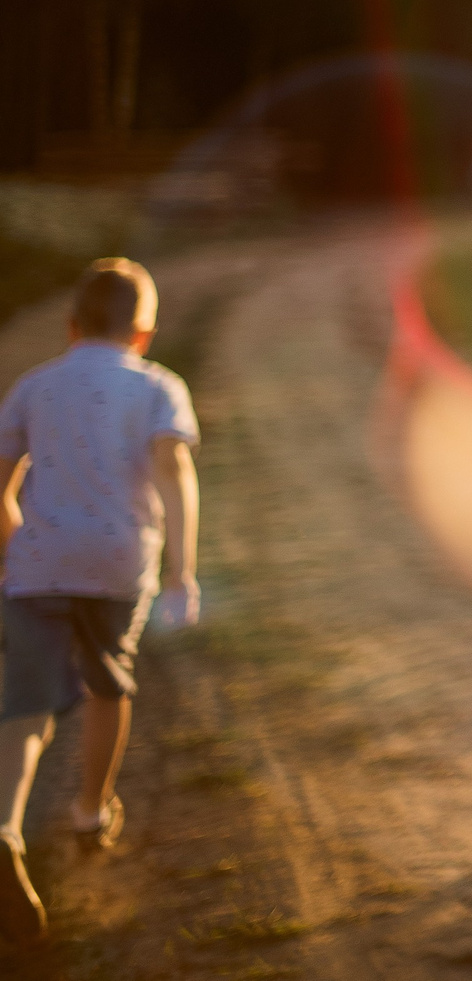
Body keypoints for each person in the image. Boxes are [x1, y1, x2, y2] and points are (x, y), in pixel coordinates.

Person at [0, 257, 201, 943]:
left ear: (70, 322)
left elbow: (0, 483)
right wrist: (183, 569)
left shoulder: (35, 386)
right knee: (106, 685)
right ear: (143, 332)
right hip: (117, 559)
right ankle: (90, 811)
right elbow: (174, 470)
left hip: (39, 561)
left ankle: (4, 825)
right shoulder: (157, 386)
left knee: (26, 704)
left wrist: (14, 543)